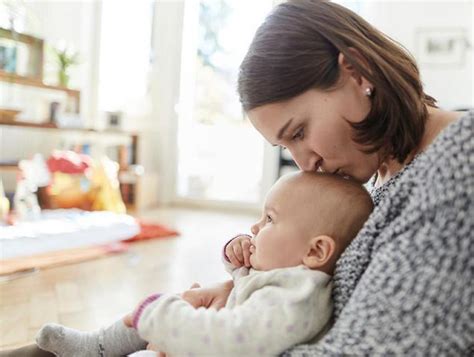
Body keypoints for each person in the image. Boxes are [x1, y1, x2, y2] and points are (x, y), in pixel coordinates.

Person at [2, 0, 472, 355]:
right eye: (287, 147)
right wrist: (244, 293)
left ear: (357, 70)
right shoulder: (386, 170)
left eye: (301, 131)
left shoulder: (458, 166)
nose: (306, 163)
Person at [27, 172, 373, 356]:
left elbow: (236, 339)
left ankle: (100, 349)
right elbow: (246, 283)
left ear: (315, 252)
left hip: (218, 345)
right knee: (163, 309)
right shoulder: (288, 275)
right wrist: (237, 258)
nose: (255, 228)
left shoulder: (294, 297)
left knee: (161, 310)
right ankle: (95, 347)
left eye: (269, 219)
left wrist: (161, 317)